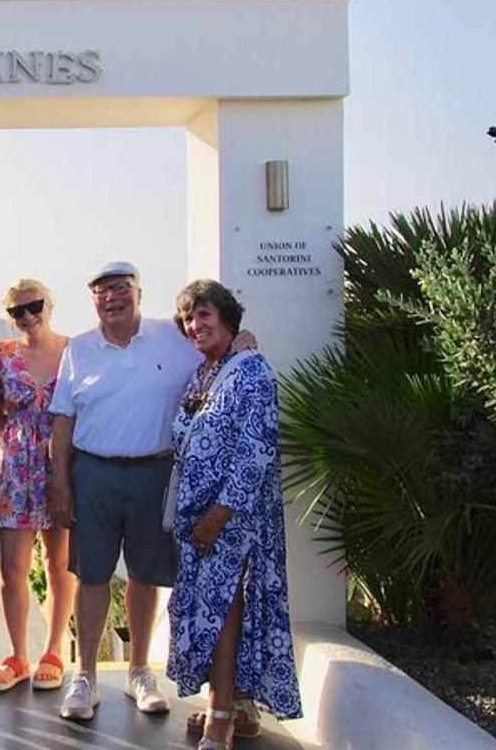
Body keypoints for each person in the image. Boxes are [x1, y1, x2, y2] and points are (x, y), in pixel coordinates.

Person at [49, 260, 204, 721]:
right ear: (93, 299)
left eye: (121, 288)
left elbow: (214, 348)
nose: (112, 298)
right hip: (93, 473)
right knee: (92, 574)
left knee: (144, 574)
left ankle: (139, 671)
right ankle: (85, 676)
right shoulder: (79, 349)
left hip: (153, 472)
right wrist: (61, 482)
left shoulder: (172, 337)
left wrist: (243, 339)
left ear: (139, 292)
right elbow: (63, 420)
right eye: (102, 291)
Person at [167, 279, 301, 750]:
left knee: (224, 611)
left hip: (233, 522)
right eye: (188, 318)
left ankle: (221, 718)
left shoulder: (252, 373)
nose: (195, 325)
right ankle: (233, 706)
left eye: (204, 315)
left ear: (227, 319)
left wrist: (217, 516)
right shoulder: (202, 374)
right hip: (199, 523)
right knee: (211, 612)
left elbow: (255, 453)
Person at [0, 279, 76, 693]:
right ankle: (18, 654)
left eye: (34, 305)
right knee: (12, 568)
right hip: (18, 467)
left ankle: (53, 652)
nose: (27, 315)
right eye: (17, 310)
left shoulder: (74, 350)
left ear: (48, 305)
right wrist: (21, 438)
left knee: (60, 564)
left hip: (61, 466)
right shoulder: (1, 355)